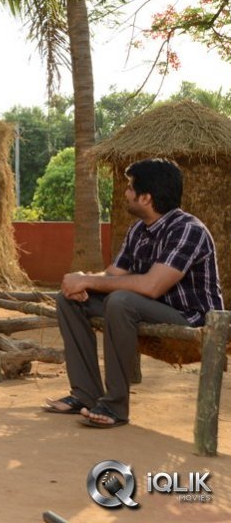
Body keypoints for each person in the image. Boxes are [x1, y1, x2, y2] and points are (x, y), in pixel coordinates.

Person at [44, 158, 223, 428]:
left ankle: (115, 406)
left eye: (130, 188)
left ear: (146, 197)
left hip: (191, 319)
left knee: (121, 300)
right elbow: (113, 275)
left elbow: (152, 286)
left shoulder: (188, 230)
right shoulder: (139, 230)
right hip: (147, 310)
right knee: (69, 300)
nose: (126, 193)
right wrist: (83, 282)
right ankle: (85, 395)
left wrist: (90, 282)